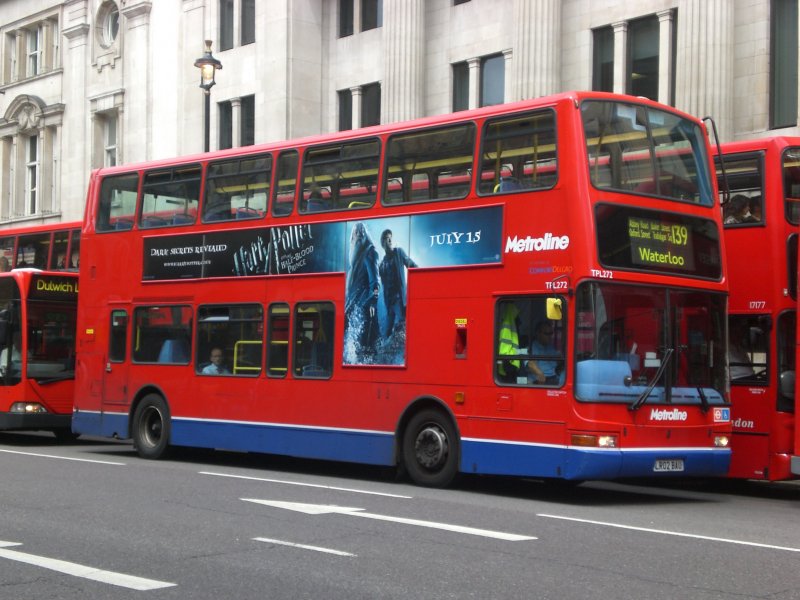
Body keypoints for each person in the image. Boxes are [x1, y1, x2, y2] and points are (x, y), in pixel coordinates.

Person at [344, 222, 379, 361]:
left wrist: (373, 302)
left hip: (363, 303)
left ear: (364, 235)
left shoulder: (370, 252)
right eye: (355, 233)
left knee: (362, 343)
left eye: (360, 232)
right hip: (353, 303)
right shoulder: (355, 258)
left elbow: (375, 281)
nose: (357, 235)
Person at [378, 229, 417, 337]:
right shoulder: (381, 265)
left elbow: (411, 264)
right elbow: (380, 284)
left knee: (403, 322)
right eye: (387, 238)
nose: (390, 239)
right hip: (389, 302)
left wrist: (421, 275)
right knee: (387, 333)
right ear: (383, 243)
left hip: (399, 298)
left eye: (390, 237)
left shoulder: (399, 252)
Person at [527, 320, 561, 384]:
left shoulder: (550, 347)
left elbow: (557, 361)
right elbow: (530, 364)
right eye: (546, 334)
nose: (550, 336)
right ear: (538, 333)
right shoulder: (533, 347)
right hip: (541, 380)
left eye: (551, 333)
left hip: (554, 377)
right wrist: (539, 373)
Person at [497, 302, 523, 380]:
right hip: (509, 364)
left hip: (511, 361)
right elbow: (504, 350)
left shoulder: (510, 322)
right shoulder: (508, 324)